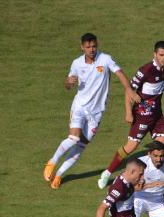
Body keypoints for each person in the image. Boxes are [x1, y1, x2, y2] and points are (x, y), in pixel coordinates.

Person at [43, 32, 140, 189]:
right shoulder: (76, 63)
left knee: (81, 146)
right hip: (80, 107)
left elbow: (120, 73)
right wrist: (68, 82)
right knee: (73, 138)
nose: (91, 49)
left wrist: (129, 89)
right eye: (88, 47)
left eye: (94, 46)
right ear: (82, 47)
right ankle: (51, 162)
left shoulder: (105, 59)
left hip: (97, 113)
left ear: (97, 45)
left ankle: (59, 174)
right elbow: (68, 85)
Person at [97, 40, 164, 189]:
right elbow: (129, 89)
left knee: (163, 143)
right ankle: (107, 173)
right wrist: (128, 112)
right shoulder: (145, 70)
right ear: (154, 54)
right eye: (161, 55)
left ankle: (147, 172)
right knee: (131, 147)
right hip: (142, 115)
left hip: (157, 114)